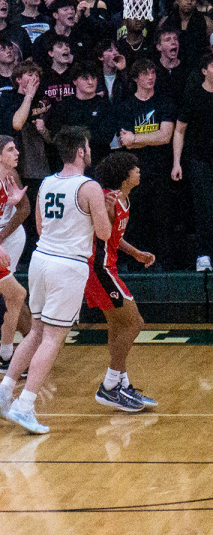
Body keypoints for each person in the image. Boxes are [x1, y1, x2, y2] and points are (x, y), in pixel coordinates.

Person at [0, 126, 110, 435]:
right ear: (80, 151)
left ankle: (5, 391)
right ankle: (25, 404)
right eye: (87, 147)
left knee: (35, 332)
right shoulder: (88, 187)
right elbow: (103, 233)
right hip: (67, 265)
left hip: (41, 259)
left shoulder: (46, 182)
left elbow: (39, 224)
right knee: (52, 337)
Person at [86, 151, 157, 412]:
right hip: (98, 268)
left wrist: (135, 252)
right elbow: (96, 232)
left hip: (107, 266)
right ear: (125, 175)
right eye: (135, 168)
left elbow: (114, 237)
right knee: (135, 323)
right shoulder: (108, 199)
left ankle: (122, 386)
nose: (139, 171)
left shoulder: (124, 200)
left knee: (118, 328)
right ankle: (109, 385)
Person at [171, 52, 213, 271]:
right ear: (204, 71)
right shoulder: (192, 95)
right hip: (198, 159)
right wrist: (176, 162)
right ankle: (203, 255)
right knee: (205, 206)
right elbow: (180, 130)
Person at [116, 59, 176, 268]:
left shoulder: (164, 102)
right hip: (134, 173)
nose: (150, 77)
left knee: (164, 220)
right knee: (136, 220)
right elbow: (126, 142)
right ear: (135, 78)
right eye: (145, 73)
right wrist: (140, 139)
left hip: (161, 170)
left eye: (153, 73)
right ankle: (136, 264)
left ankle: (167, 266)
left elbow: (165, 136)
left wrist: (137, 139)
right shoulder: (126, 106)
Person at [0, 136, 31, 373]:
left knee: (14, 293)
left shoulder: (9, 176)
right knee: (15, 293)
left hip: (7, 240)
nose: (17, 152)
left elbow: (23, 208)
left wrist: (13, 199)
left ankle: (9, 354)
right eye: (11, 150)